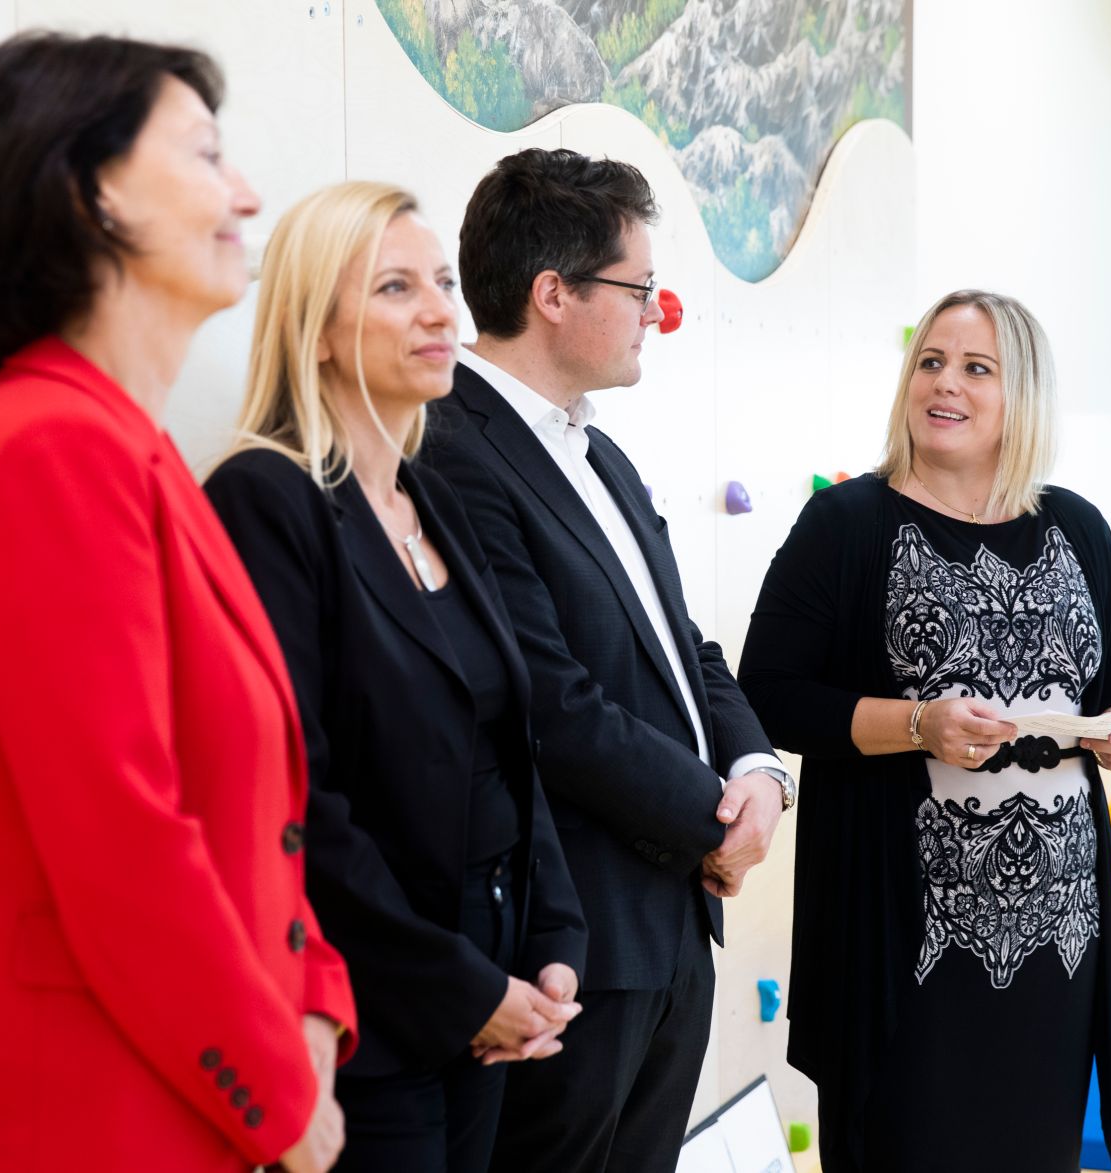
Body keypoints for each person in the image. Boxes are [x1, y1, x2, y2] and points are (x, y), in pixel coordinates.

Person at [0, 32, 355, 1173]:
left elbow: (253, 818)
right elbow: (120, 842)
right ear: (88, 192)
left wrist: (311, 1005)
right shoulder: (50, 451)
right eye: (204, 154)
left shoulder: (132, 456)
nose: (245, 191)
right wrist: (278, 1097)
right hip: (78, 1119)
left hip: (165, 1101)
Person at [421, 148, 795, 1173]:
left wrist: (758, 774)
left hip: (671, 920)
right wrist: (708, 822)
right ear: (552, 294)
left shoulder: (598, 452)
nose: (654, 312)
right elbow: (547, 698)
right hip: (574, 932)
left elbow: (681, 647)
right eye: (638, 288)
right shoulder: (452, 447)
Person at [203, 181, 589, 1173]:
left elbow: (510, 741)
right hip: (369, 1025)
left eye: (443, 283)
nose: (438, 313)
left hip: (490, 1000)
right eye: (392, 288)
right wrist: (459, 990)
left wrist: (554, 939)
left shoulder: (430, 496)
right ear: (315, 333)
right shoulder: (263, 499)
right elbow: (297, 802)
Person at [738, 289, 1111, 1173]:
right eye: (931, 362)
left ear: (1024, 395)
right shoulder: (846, 524)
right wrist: (917, 725)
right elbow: (767, 694)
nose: (946, 384)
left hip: (1058, 935)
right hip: (904, 942)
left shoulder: (1077, 526)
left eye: (977, 368)